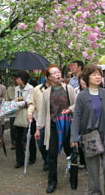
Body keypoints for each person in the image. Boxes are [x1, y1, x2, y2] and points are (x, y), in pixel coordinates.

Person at [71, 64, 105, 195]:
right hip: (90, 138)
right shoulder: (82, 96)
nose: (97, 77)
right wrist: (73, 137)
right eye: (94, 74)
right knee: (93, 170)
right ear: (87, 77)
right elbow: (76, 117)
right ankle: (94, 192)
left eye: (99, 74)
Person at [35, 64, 76, 193]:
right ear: (48, 77)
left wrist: (70, 109)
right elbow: (42, 112)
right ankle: (52, 182)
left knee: (71, 153)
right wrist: (38, 128)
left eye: (58, 72)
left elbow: (76, 105)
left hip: (68, 124)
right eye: (54, 73)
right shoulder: (46, 93)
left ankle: (73, 179)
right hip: (53, 126)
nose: (58, 74)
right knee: (52, 155)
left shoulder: (68, 89)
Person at [28, 76, 52, 171]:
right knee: (41, 143)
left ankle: (51, 161)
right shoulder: (37, 89)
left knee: (51, 144)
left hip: (53, 120)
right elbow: (32, 103)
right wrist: (30, 112)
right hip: (40, 120)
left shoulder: (58, 89)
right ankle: (46, 159)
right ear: (46, 76)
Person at [13, 70, 34, 168]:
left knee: (29, 137)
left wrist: (18, 103)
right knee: (18, 138)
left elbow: (28, 102)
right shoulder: (17, 88)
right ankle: (19, 160)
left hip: (28, 114)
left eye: (18, 78)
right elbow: (17, 99)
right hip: (19, 114)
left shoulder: (30, 88)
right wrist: (17, 103)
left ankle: (32, 157)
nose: (17, 80)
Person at [5, 74, 18, 150]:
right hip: (12, 109)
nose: (15, 81)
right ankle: (13, 142)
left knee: (21, 126)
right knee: (12, 127)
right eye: (14, 79)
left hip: (20, 110)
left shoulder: (21, 89)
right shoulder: (9, 89)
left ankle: (22, 142)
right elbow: (6, 99)